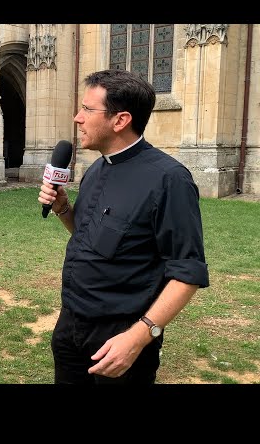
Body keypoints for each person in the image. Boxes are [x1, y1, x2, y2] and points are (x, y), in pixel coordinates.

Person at [38, 69, 209, 384]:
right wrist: (63, 208)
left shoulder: (169, 179)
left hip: (121, 337)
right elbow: (90, 236)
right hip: (71, 326)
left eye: (88, 110)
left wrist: (138, 337)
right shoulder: (96, 168)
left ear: (120, 120)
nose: (78, 118)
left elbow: (188, 273)